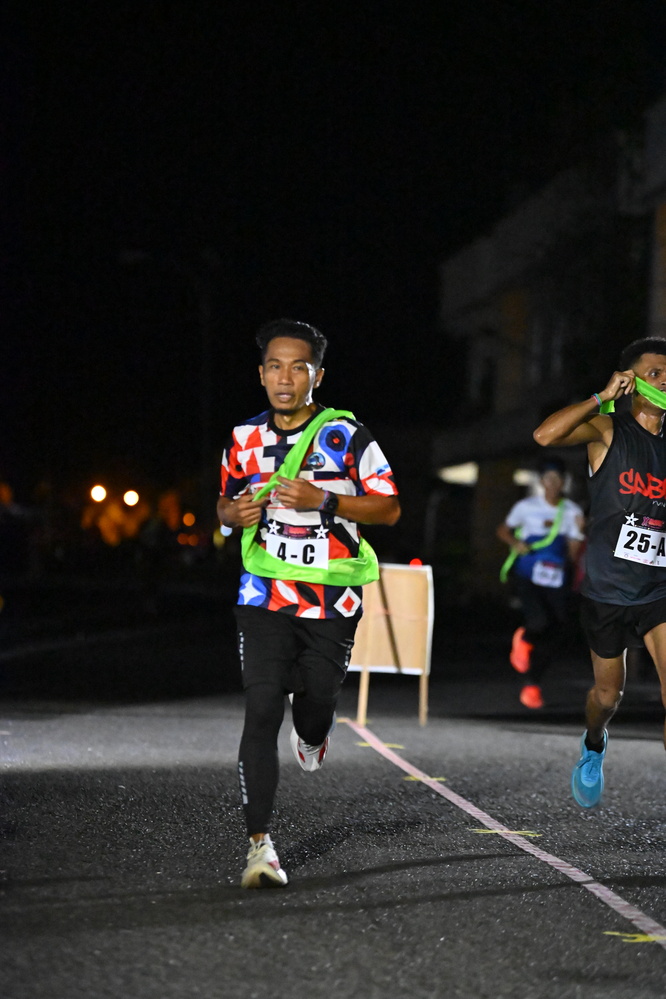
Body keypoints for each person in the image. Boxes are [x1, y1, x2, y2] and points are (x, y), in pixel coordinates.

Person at [217, 319, 400, 886]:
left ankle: (315, 733)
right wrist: (233, 513)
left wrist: (325, 499)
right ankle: (260, 848)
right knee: (261, 708)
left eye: (298, 367)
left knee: (315, 703)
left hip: (331, 597)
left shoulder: (348, 436)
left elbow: (389, 507)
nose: (285, 378)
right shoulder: (243, 438)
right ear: (261, 374)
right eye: (275, 366)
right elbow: (224, 504)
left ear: (317, 376)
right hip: (264, 592)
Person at [533, 336, 666, 807]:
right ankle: (593, 743)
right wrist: (601, 397)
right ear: (632, 382)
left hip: (659, 590)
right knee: (608, 698)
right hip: (608, 589)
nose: (664, 382)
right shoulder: (609, 430)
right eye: (654, 374)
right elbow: (544, 437)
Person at [496, 459, 585, 709]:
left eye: (557, 479)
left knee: (557, 631)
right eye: (548, 478)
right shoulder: (526, 507)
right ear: (541, 481)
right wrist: (516, 543)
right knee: (539, 621)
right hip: (528, 574)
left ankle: (532, 684)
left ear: (564, 482)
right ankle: (524, 639)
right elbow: (503, 530)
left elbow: (573, 553)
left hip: (556, 578)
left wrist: (579, 533)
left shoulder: (571, 511)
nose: (552, 484)